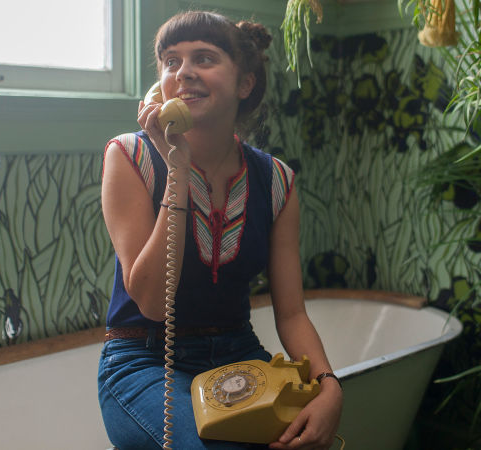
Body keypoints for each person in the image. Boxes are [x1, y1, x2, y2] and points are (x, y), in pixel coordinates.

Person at [98, 10, 343, 450]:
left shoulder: (277, 182)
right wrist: (176, 167)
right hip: (145, 359)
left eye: (204, 58)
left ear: (245, 83)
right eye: (171, 62)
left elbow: (290, 313)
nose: (184, 72)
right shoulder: (129, 157)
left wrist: (328, 385)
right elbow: (153, 303)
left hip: (238, 357)